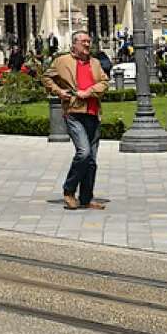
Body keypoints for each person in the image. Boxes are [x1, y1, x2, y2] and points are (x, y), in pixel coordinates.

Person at [39, 30, 108, 210]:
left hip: (93, 112)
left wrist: (89, 92)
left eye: (88, 41)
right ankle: (69, 191)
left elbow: (104, 82)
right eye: (83, 41)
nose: (87, 44)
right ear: (74, 44)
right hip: (74, 111)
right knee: (83, 153)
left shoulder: (95, 62)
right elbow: (46, 77)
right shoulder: (62, 61)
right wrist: (59, 92)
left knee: (91, 160)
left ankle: (86, 197)